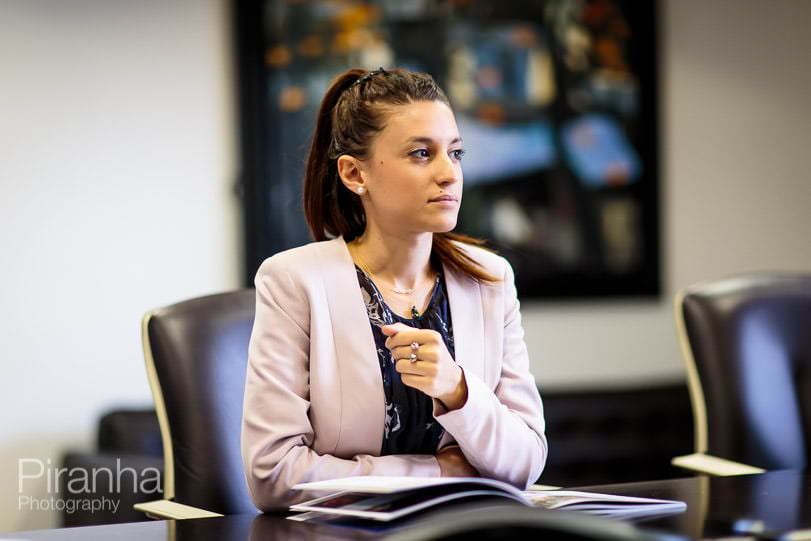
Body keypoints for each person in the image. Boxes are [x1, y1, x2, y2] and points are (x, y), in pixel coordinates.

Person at [241, 67, 547, 511]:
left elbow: (526, 462)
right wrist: (439, 472)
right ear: (353, 173)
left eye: (456, 153)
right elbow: (275, 477)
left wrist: (458, 390)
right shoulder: (294, 281)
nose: (449, 173)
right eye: (422, 153)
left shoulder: (490, 278)